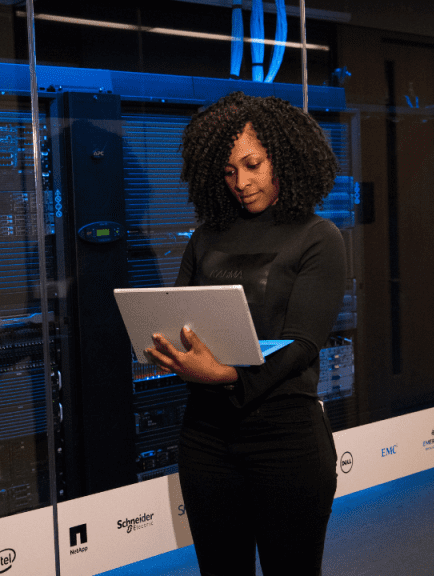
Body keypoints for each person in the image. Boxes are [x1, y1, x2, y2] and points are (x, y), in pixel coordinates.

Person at [145, 92, 346, 576]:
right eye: (229, 171)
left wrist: (225, 375)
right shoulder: (204, 238)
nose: (242, 182)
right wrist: (169, 351)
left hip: (287, 441)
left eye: (253, 165)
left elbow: (302, 344)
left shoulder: (318, 237)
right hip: (207, 441)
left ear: (283, 158)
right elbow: (179, 317)